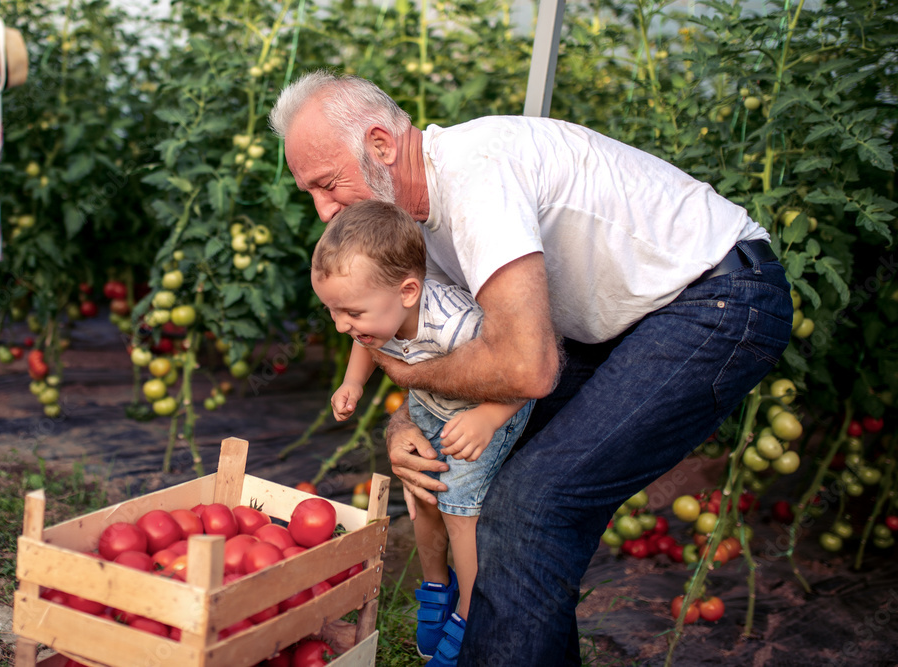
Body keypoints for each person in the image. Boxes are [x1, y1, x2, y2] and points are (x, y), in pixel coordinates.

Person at [270, 71, 793, 665]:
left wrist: (408, 379)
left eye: (328, 184)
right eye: (309, 193)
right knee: (494, 483)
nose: (322, 211)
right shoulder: (406, 228)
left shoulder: (475, 175)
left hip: (717, 298)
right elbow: (441, 349)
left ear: (382, 146)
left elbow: (525, 369)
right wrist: (405, 428)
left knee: (532, 505)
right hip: (622, 324)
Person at [310, 199, 534, 665]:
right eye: (332, 312)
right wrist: (353, 382)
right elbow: (366, 343)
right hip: (431, 408)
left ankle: (472, 614)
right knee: (422, 493)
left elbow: (523, 374)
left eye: (350, 312)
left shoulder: (457, 326)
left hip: (484, 413)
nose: (341, 324)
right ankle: (437, 583)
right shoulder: (379, 312)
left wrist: (489, 416)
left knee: (456, 508)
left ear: (409, 290)